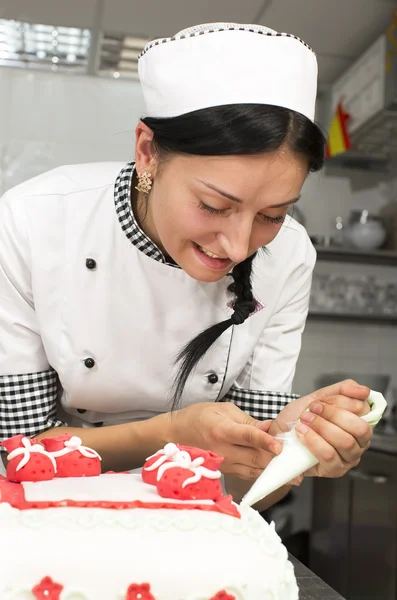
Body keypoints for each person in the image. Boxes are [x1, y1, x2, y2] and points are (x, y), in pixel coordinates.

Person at [0, 22, 372, 509]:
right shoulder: (33, 222)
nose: (238, 247)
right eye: (214, 206)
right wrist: (174, 434)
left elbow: (247, 493)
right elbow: (16, 456)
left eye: (272, 215)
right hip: (49, 515)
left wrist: (293, 449)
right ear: (148, 152)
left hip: (194, 529)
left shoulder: (290, 256)